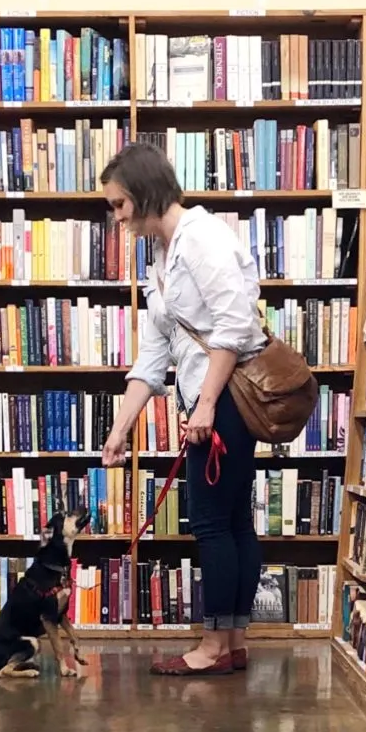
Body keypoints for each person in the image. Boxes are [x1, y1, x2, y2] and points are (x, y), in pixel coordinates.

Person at [100, 142, 266, 675]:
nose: (118, 217)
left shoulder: (201, 238)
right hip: (210, 402)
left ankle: (214, 648)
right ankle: (234, 640)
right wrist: (121, 428)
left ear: (146, 193)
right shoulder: (162, 257)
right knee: (234, 519)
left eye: (121, 204)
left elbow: (236, 324)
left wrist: (206, 406)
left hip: (225, 402)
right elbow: (153, 355)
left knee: (214, 524)